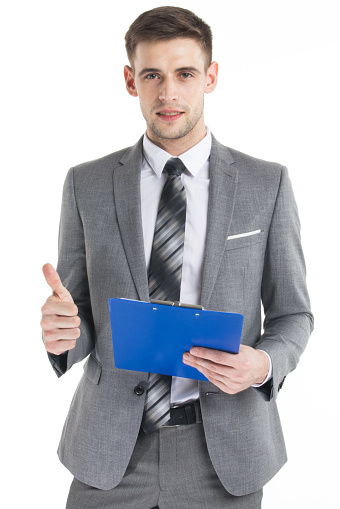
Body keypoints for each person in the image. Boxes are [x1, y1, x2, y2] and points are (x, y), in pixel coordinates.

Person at [40, 6, 313, 509]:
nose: (169, 93)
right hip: (110, 452)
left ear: (210, 77)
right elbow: (77, 313)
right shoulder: (88, 184)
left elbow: (294, 313)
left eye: (185, 74)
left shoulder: (266, 184)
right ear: (130, 81)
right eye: (152, 75)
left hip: (225, 454)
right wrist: (64, 334)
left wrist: (263, 364)